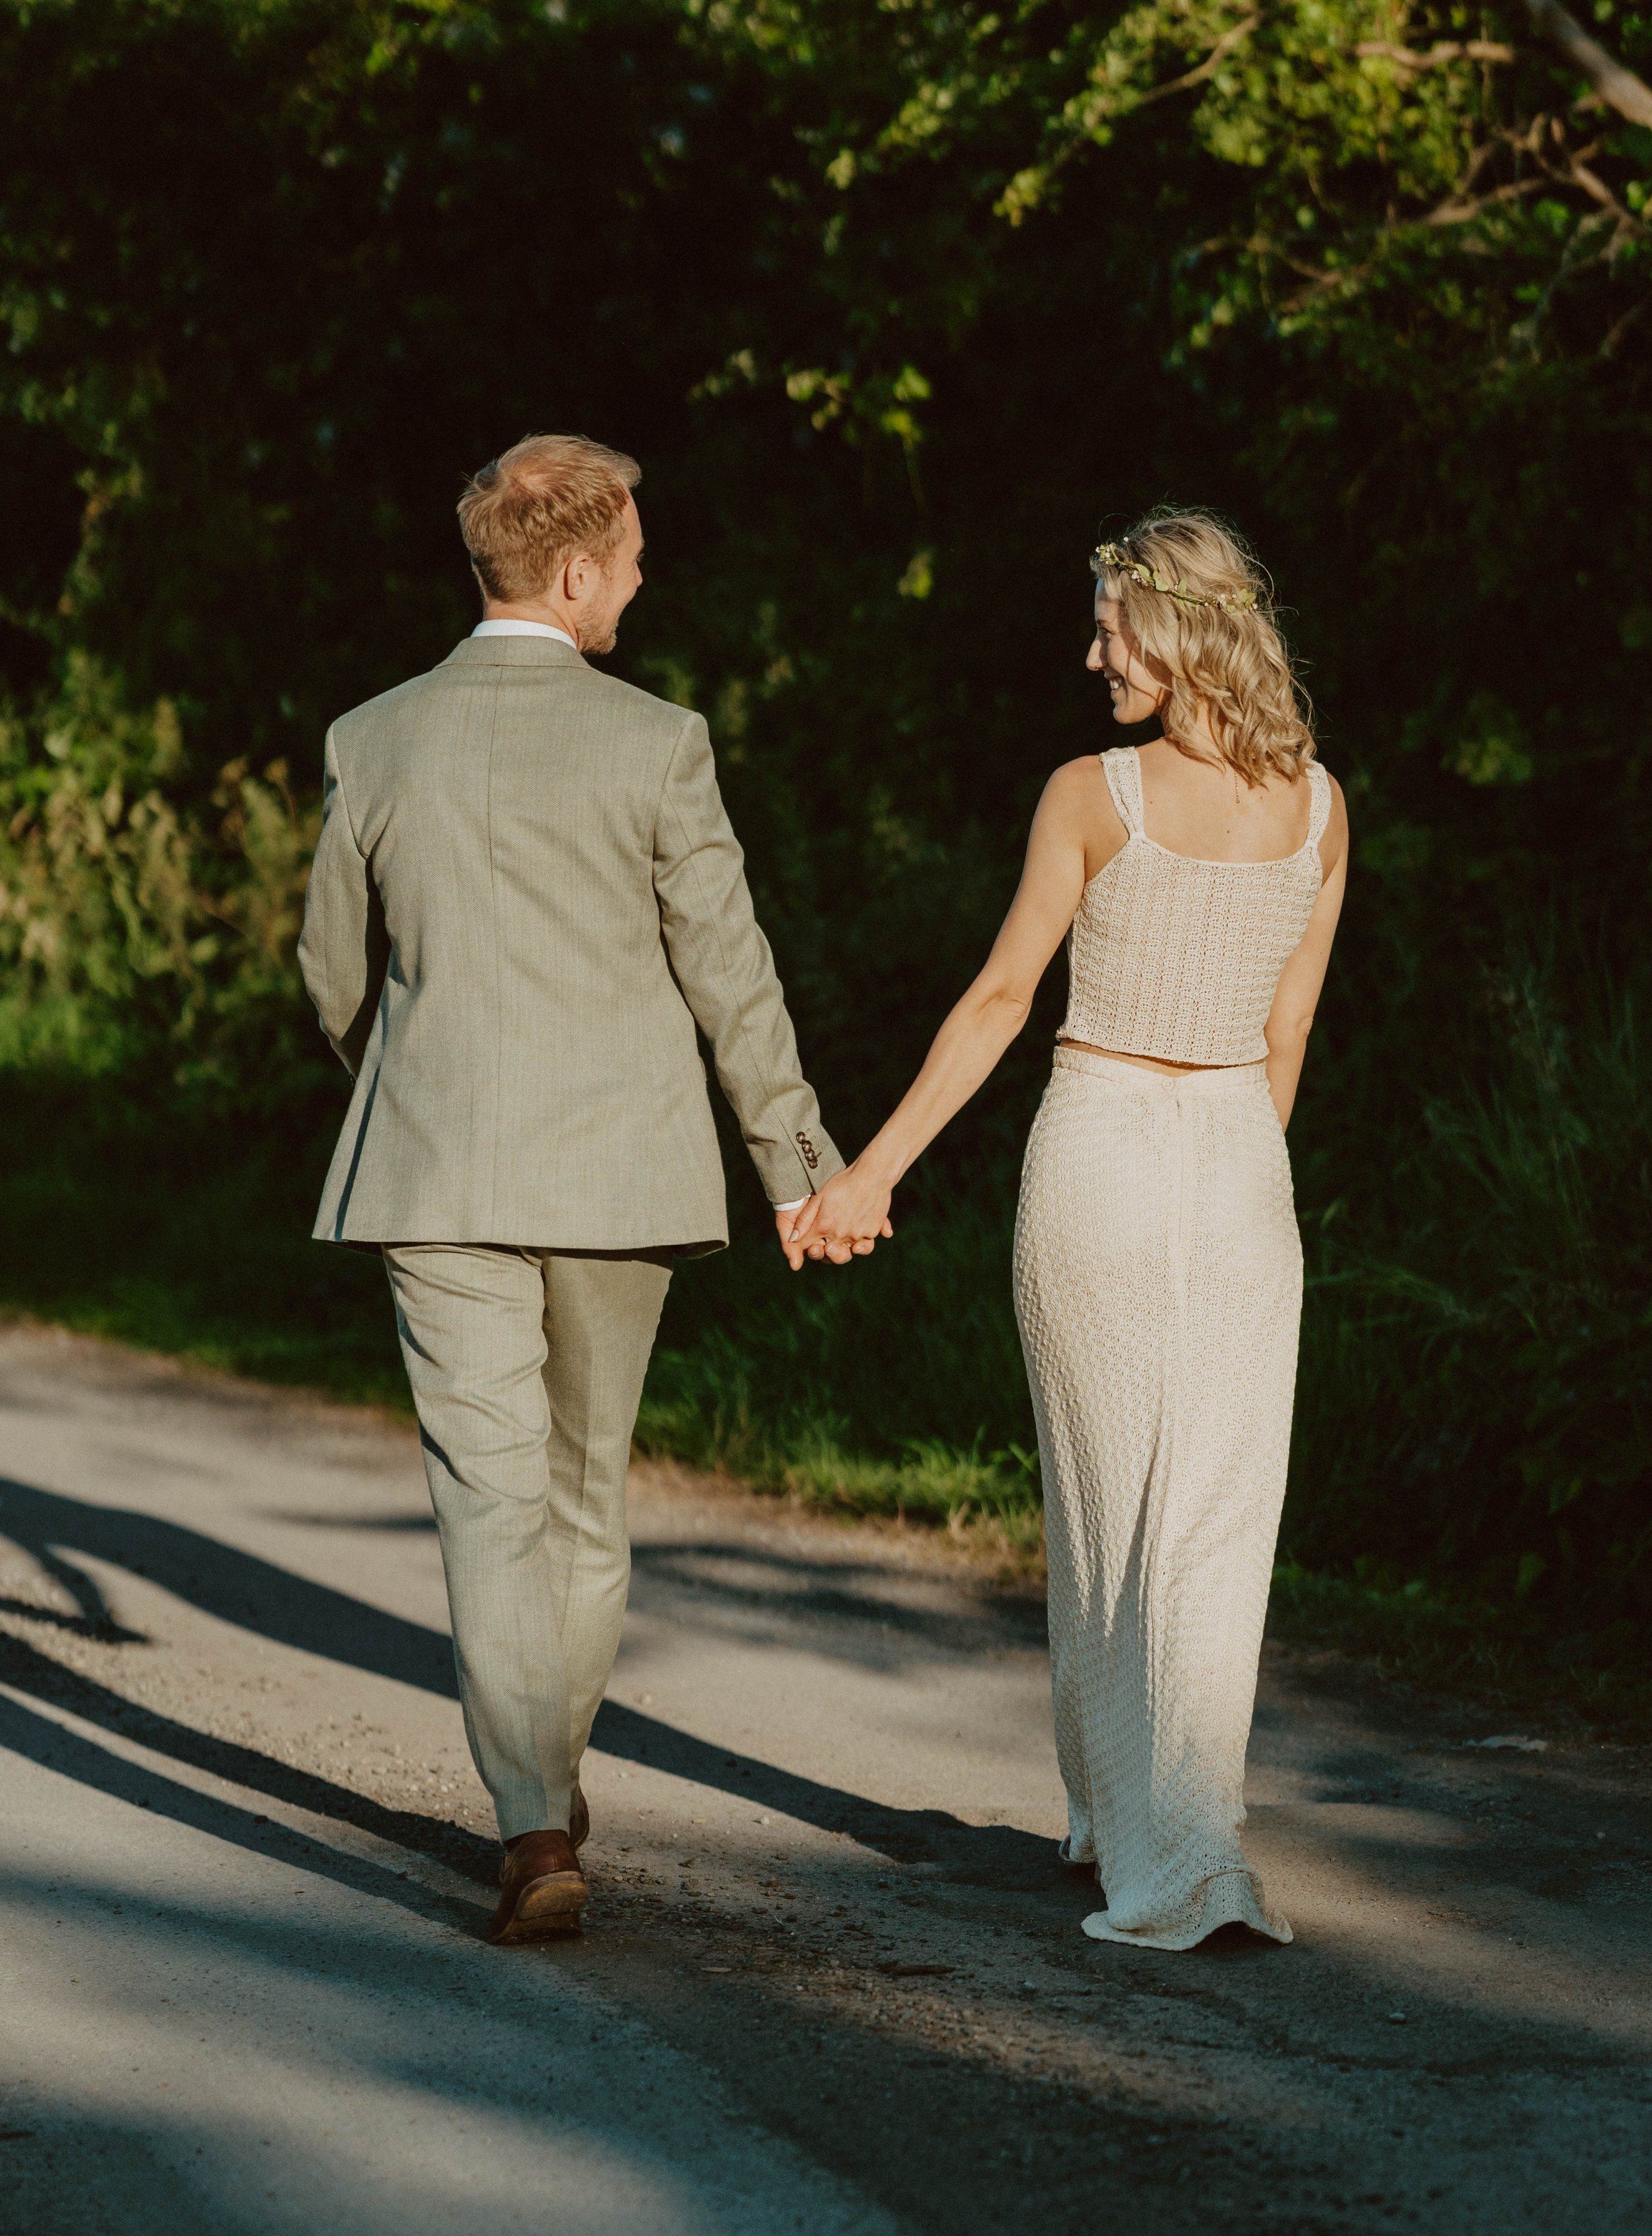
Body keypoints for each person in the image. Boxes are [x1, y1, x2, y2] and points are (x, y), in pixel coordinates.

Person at [298, 434, 854, 1945]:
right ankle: (547, 1777)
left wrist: (404, 1075)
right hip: (620, 1172)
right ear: (571, 571)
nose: (644, 574)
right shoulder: (656, 742)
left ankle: (531, 1816)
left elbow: (332, 976)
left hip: (429, 1165)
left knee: (485, 1504)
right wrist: (797, 1161)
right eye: (631, 554)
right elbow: (727, 975)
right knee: (581, 1496)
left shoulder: (372, 736)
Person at [789, 509, 1347, 1948]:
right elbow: (1286, 1032)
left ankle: (1144, 1841)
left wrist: (869, 1174)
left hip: (1098, 1151)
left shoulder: (1092, 793)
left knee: (1104, 1508)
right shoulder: (1320, 806)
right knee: (1214, 1518)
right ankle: (1163, 1829)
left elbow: (997, 1003)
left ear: (1173, 632)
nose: (1089, 651)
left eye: (1109, 626)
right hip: (1235, 1165)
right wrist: (1231, 1173)